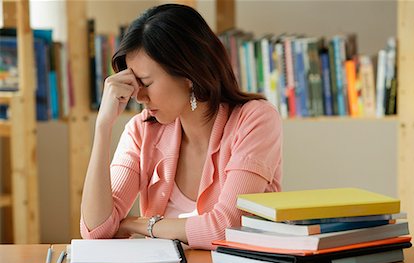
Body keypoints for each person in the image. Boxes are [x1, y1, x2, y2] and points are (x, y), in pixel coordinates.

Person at [80, 3, 282, 250]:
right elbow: (95, 231)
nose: (138, 96)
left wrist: (138, 224)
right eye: (133, 83)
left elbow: (225, 227)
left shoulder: (255, 120)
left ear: (188, 75)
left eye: (145, 82)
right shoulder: (141, 130)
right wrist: (103, 127)